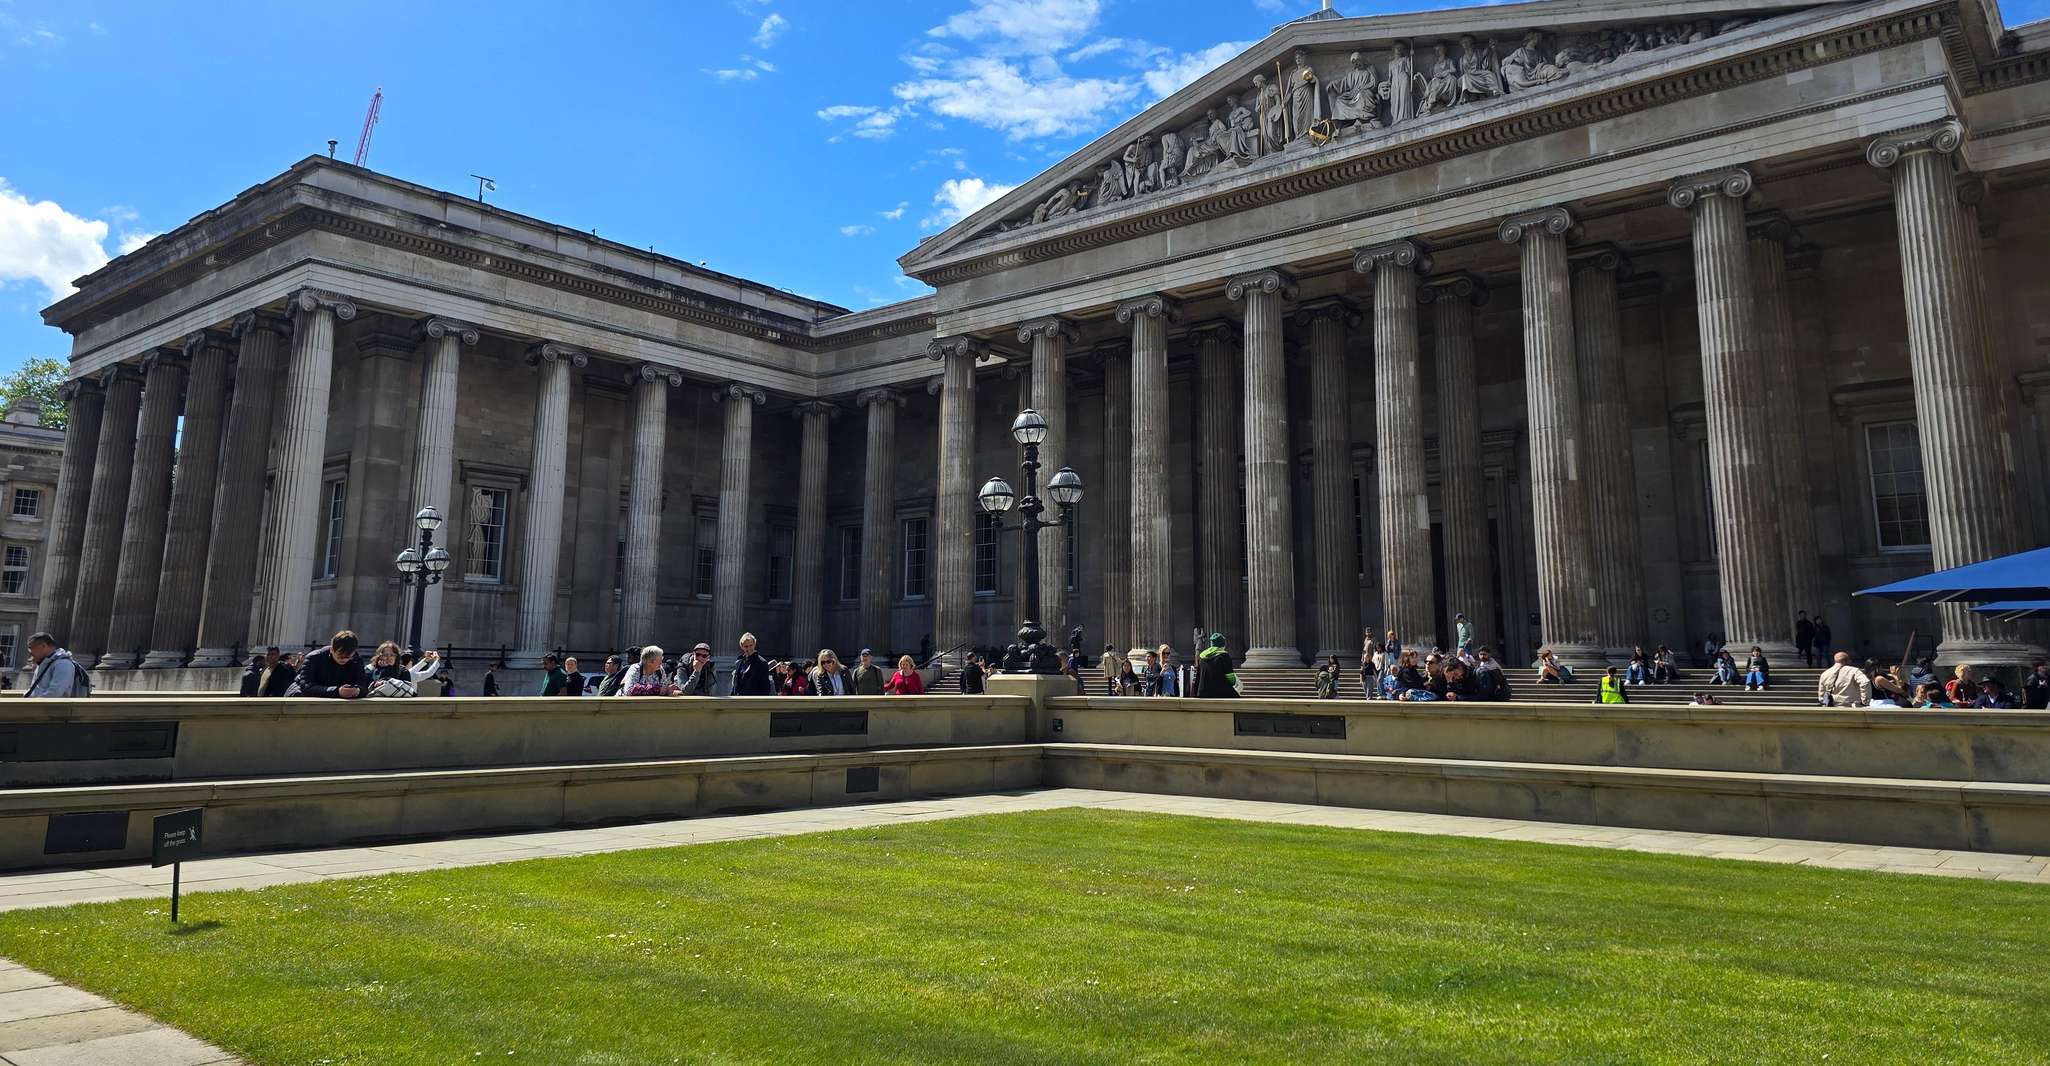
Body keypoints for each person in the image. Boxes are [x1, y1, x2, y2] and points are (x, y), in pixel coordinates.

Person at [296, 630, 371, 699]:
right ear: (332, 649)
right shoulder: (314, 658)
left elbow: (363, 685)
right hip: (301, 695)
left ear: (354, 652)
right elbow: (306, 687)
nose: (344, 660)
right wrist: (337, 691)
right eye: (340, 656)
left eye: (348, 657)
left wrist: (358, 690)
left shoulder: (356, 660)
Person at [22, 632, 89, 698]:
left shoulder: (63, 664)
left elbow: (55, 693)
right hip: (38, 706)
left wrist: (33, 702)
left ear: (43, 646)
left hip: (49, 708)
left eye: (31, 648)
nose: (30, 652)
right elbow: (37, 690)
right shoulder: (44, 663)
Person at [1194, 632, 1238, 698]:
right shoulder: (1224, 656)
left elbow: (1198, 677)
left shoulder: (1202, 657)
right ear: (1223, 645)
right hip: (1220, 692)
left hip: (1202, 692)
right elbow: (1231, 679)